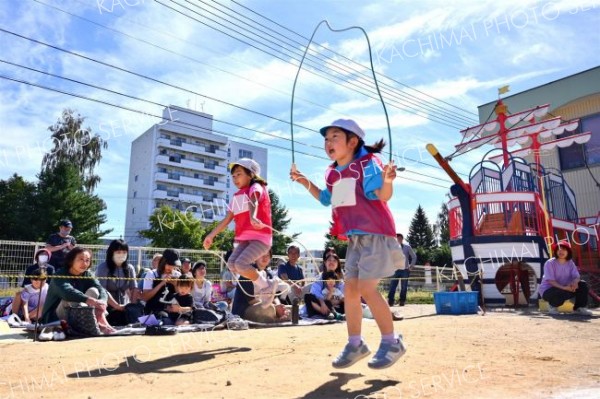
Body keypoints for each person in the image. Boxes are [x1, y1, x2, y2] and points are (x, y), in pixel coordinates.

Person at [291, 118, 406, 369]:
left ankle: (392, 341)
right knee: (352, 290)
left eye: (334, 137)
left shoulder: (368, 164)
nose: (328, 142)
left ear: (353, 142)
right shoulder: (334, 174)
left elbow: (383, 196)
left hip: (377, 234)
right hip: (355, 239)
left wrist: (388, 180)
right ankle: (355, 344)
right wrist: (302, 180)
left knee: (365, 287)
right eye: (326, 139)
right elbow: (325, 198)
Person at [203, 158, 280, 308]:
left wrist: (253, 216)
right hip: (246, 239)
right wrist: (211, 235)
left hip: (261, 238)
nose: (235, 178)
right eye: (233, 176)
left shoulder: (256, 186)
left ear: (250, 174)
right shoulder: (237, 197)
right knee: (232, 264)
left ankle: (265, 286)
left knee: (241, 264)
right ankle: (264, 284)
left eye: (239, 174)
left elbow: (254, 201)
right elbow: (227, 219)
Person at [40, 247, 115, 334]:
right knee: (70, 299)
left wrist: (103, 301)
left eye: (87, 260)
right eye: (81, 259)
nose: (84, 263)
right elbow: (67, 292)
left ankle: (100, 323)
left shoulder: (88, 274)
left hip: (78, 312)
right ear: (71, 260)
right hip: (55, 317)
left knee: (94, 291)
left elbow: (101, 289)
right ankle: (96, 325)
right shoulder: (59, 275)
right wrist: (90, 300)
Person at [232, 249, 289, 323]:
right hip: (244, 310)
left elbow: (274, 296)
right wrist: (274, 307)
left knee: (288, 309)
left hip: (264, 305)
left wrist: (278, 305)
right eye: (261, 255)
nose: (264, 258)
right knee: (269, 309)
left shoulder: (269, 275)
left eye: (267, 255)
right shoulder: (248, 272)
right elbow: (251, 301)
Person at [539, 241, 593, 316]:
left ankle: (579, 308)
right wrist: (565, 288)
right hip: (549, 291)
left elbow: (576, 276)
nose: (561, 251)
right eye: (559, 249)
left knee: (582, 284)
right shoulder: (550, 263)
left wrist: (575, 282)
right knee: (562, 291)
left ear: (568, 252)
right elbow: (551, 281)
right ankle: (553, 306)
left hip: (565, 287)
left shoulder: (570, 263)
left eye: (564, 249)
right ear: (556, 251)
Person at [95, 239, 138, 325]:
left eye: (124, 252)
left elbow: (134, 288)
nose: (122, 255)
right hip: (107, 306)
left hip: (124, 305)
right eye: (118, 252)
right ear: (111, 253)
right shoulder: (103, 267)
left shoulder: (130, 268)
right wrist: (116, 306)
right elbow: (102, 290)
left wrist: (132, 305)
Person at [11, 248, 56, 318]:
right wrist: (32, 287)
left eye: (45, 255)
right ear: (37, 256)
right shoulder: (30, 268)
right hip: (30, 290)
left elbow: (52, 283)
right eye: (41, 254)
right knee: (19, 295)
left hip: (44, 292)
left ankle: (28, 318)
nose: (43, 256)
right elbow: (25, 283)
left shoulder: (51, 268)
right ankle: (14, 317)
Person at [141, 248, 182, 324]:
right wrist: (161, 284)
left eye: (174, 265)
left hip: (172, 311)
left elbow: (182, 299)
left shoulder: (177, 275)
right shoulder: (152, 274)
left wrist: (176, 285)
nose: (171, 268)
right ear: (163, 262)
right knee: (166, 322)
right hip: (153, 311)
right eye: (169, 265)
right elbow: (145, 297)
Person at [304, 252, 345, 318]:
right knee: (308, 296)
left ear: (338, 264)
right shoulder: (320, 277)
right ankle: (323, 313)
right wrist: (323, 303)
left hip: (337, 306)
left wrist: (337, 301)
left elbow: (344, 294)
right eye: (329, 260)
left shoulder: (340, 278)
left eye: (334, 261)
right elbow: (315, 292)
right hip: (323, 306)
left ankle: (335, 314)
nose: (331, 262)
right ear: (325, 263)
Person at [387, 233, 416, 306]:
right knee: (392, 286)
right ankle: (390, 301)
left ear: (402, 239)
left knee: (404, 287)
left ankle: (402, 301)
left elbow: (414, 257)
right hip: (395, 269)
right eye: (397, 239)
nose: (398, 240)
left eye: (399, 238)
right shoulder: (392, 248)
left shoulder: (407, 247)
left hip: (405, 270)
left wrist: (411, 266)